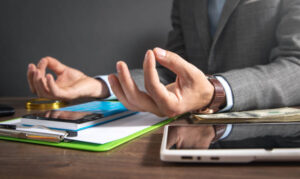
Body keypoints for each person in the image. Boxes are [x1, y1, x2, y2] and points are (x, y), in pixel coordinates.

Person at [27, 0, 300, 117]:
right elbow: (171, 72)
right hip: (190, 136)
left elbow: (296, 65)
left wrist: (215, 90)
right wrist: (100, 85)